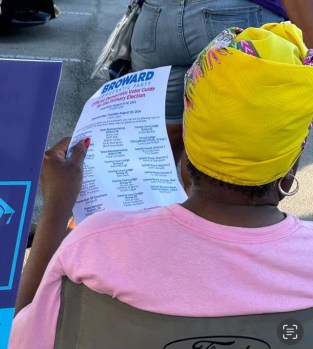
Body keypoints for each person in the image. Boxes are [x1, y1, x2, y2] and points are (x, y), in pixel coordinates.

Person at [9, 22, 313, 348]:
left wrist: (58, 204)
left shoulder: (95, 245)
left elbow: (24, 338)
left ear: (187, 138)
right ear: (294, 156)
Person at [130, 0, 313, 188]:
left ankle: (147, 215)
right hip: (238, 14)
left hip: (156, 19)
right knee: (230, 165)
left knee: (154, 148)